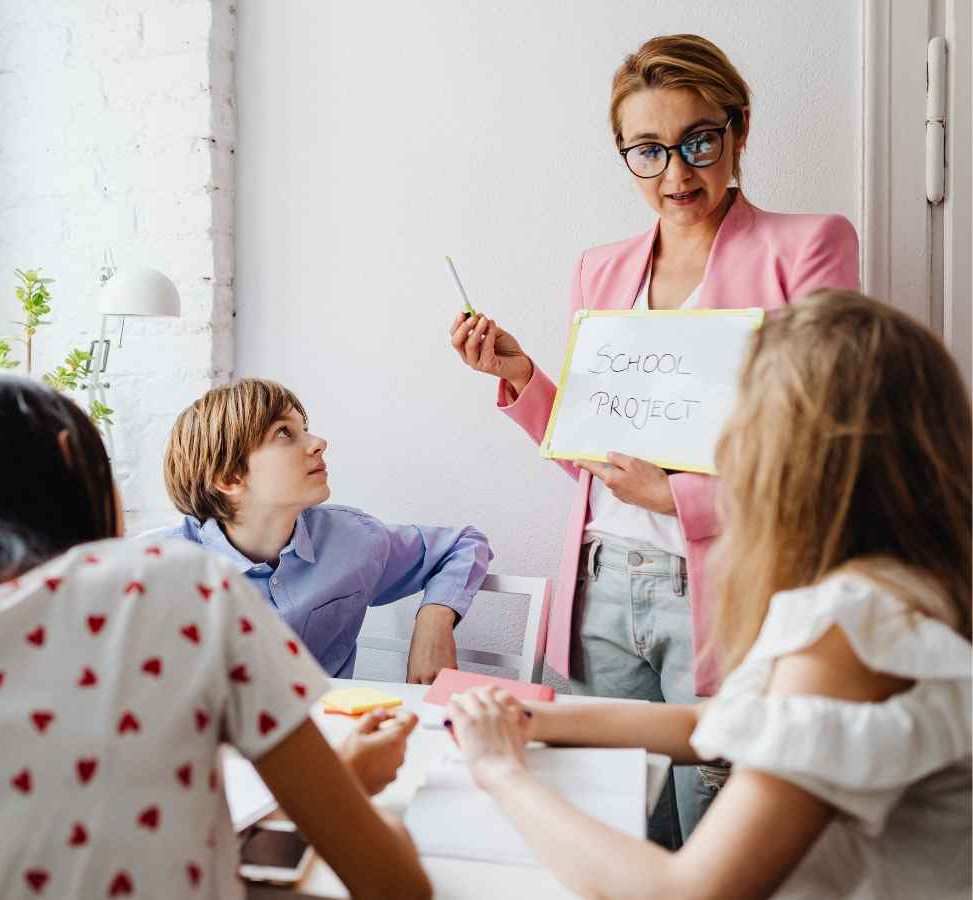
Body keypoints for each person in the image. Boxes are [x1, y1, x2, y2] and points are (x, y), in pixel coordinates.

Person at [448, 32, 860, 843]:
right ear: (625, 154)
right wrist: (526, 377)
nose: (677, 174)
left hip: (726, 584)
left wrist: (684, 498)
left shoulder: (807, 247)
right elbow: (603, 454)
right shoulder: (600, 270)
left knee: (720, 828)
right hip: (601, 583)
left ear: (739, 129)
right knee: (618, 823)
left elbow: (830, 445)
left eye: (699, 141)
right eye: (649, 150)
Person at [445, 291, 972, 900]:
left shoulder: (851, 623)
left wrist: (500, 771)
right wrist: (535, 718)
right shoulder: (902, 584)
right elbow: (716, 721)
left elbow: (686, 890)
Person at [0, 372, 431, 900]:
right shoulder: (183, 584)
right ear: (76, 459)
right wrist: (353, 793)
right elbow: (391, 884)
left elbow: (71, 816)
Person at [157, 378, 491, 683]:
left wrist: (433, 620)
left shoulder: (353, 539)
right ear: (229, 478)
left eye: (305, 428)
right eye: (284, 433)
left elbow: (462, 545)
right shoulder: (156, 571)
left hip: (335, 738)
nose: (319, 442)